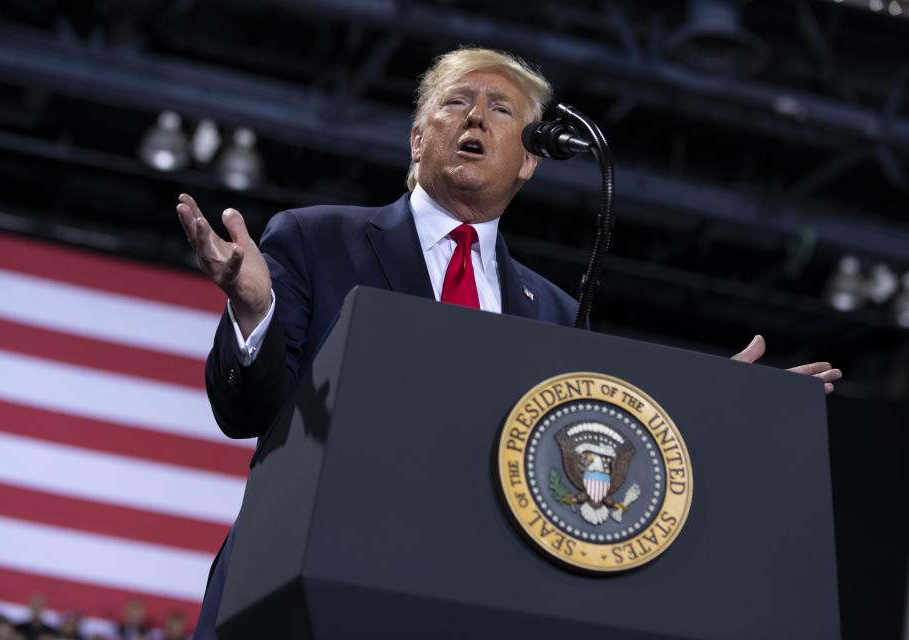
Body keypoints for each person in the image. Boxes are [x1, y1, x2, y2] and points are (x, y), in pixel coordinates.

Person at [177, 47, 841, 638]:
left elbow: (590, 455)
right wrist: (254, 309)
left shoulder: (553, 311)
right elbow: (245, 414)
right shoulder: (315, 240)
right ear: (416, 139)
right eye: (456, 102)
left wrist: (726, 405)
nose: (476, 119)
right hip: (301, 591)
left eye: (501, 110)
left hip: (457, 602)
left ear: (529, 159)